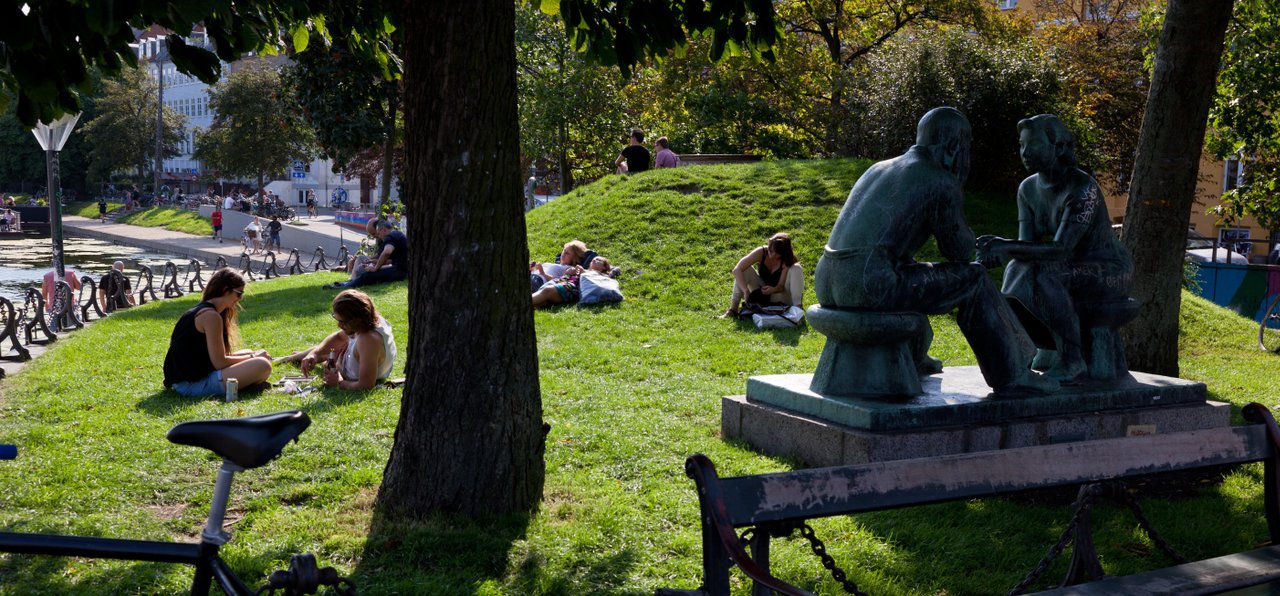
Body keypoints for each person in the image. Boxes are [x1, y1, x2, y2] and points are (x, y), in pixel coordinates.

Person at [814, 107, 1054, 396]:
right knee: (974, 279)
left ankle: (915, 356)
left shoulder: (880, 167)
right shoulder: (938, 179)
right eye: (966, 149)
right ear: (954, 147)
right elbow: (960, 252)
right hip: (870, 285)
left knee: (914, 271)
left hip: (827, 279)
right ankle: (1013, 374)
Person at [975, 114, 1133, 383]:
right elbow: (1028, 246)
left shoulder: (1083, 189)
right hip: (1067, 266)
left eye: (1032, 144)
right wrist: (997, 250)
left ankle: (1073, 359)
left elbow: (1060, 249)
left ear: (1058, 147)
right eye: (1021, 145)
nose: (1024, 152)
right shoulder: (1027, 189)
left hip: (1109, 270)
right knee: (1018, 267)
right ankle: (1020, 347)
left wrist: (1005, 247)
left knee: (1049, 274)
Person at [162, 268, 272, 397]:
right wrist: (254, 357)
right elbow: (220, 362)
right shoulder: (211, 316)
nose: (240, 299)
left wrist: (251, 354)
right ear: (225, 290)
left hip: (187, 379)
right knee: (262, 365)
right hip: (192, 384)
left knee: (247, 352)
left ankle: (246, 383)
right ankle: (246, 384)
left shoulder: (203, 310)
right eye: (239, 293)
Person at [274, 290, 397, 390]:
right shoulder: (367, 322)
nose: (339, 326)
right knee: (324, 351)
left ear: (357, 319)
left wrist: (339, 382)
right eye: (337, 320)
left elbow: (365, 385)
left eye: (342, 322)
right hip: (347, 359)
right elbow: (338, 337)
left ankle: (302, 357)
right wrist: (314, 353)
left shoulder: (368, 340)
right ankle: (293, 358)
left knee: (329, 354)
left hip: (348, 367)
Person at [720, 233, 803, 318]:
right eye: (771, 251)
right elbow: (736, 270)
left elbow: (781, 286)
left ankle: (798, 310)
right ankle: (733, 310)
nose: (771, 256)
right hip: (762, 292)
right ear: (769, 243)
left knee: (796, 268)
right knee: (745, 270)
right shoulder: (762, 252)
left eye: (776, 255)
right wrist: (745, 290)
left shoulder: (786, 259)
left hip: (780, 295)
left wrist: (773, 289)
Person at [324, 219, 408, 289]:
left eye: (378, 233)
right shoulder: (397, 235)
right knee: (367, 274)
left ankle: (344, 286)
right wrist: (374, 262)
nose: (378, 236)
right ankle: (347, 284)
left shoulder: (390, 236)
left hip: (398, 270)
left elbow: (387, 252)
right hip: (400, 270)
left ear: (384, 230)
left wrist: (376, 268)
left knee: (367, 275)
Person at [532, 256, 612, 308]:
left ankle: (521, 304)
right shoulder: (582, 270)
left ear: (604, 267)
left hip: (570, 288)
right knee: (543, 299)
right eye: (594, 259)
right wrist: (567, 273)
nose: (595, 259)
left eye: (599, 260)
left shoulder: (601, 276)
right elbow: (564, 279)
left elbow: (593, 285)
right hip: (560, 283)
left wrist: (583, 272)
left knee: (547, 291)